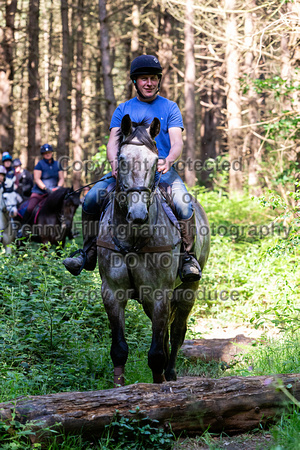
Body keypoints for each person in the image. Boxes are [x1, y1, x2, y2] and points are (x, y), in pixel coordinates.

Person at [63, 54, 201, 281]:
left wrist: (169, 160)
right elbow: (112, 143)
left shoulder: (170, 108)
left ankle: (187, 257)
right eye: (144, 78)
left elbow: (177, 142)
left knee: (184, 206)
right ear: (135, 82)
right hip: (126, 171)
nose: (149, 83)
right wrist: (115, 164)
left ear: (158, 81)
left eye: (153, 78)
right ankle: (88, 252)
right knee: (91, 199)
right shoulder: (123, 109)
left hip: (160, 170)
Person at [17, 144, 64, 237]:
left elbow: (62, 178)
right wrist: (46, 189)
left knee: (65, 207)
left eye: (49, 152)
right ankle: (23, 228)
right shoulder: (39, 164)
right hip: (40, 192)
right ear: (42, 154)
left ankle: (67, 231)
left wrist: (58, 188)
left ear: (52, 153)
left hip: (54, 192)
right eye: (45, 153)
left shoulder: (57, 164)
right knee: (30, 207)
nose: (47, 154)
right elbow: (37, 179)